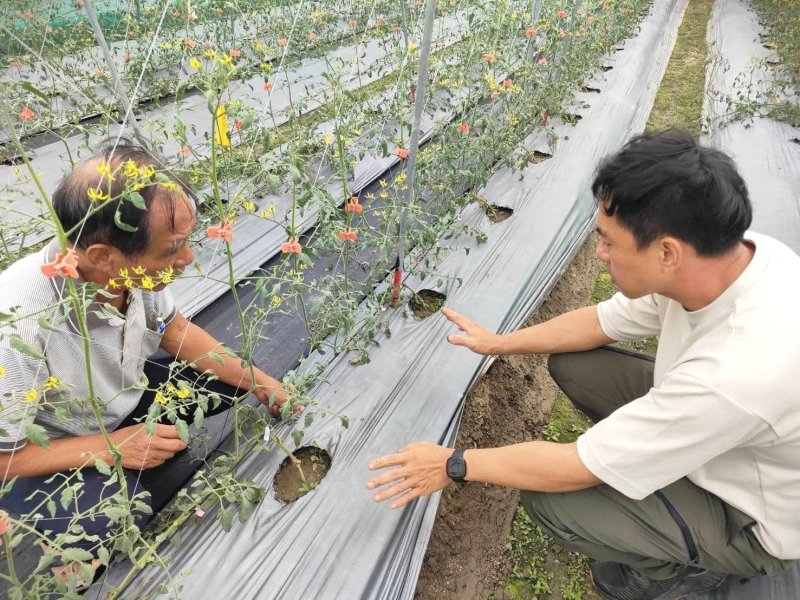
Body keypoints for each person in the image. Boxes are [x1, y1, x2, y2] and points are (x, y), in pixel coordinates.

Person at [367, 129, 800, 599]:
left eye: (609, 241)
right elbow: (600, 321)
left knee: (554, 503)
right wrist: (499, 344)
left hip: (750, 514)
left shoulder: (732, 374)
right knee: (575, 365)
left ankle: (684, 571)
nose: (599, 253)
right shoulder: (736, 258)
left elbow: (576, 466)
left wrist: (454, 463)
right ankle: (652, 460)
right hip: (724, 436)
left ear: (667, 253)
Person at [0, 143, 287, 552]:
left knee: (232, 377)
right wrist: (115, 448)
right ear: (103, 256)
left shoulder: (132, 274)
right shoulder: (18, 325)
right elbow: (5, 458)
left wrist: (264, 382)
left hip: (121, 396)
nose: (187, 258)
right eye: (172, 248)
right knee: (113, 519)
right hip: (54, 443)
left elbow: (175, 330)